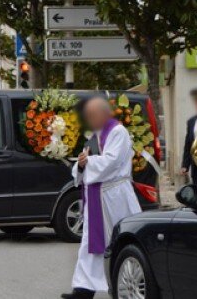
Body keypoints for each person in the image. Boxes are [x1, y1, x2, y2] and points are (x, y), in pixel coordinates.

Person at [62, 97, 140, 299]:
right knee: (90, 242)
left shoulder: (118, 132)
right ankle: (83, 289)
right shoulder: (95, 133)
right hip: (97, 194)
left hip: (115, 196)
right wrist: (80, 164)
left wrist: (88, 162)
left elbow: (111, 162)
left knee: (120, 241)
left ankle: (131, 282)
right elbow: (86, 160)